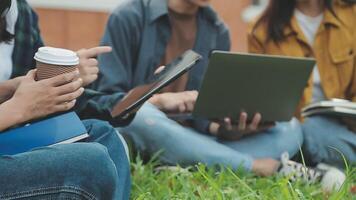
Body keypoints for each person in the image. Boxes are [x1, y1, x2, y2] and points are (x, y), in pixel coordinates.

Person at [93, 0, 337, 182]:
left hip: (200, 140)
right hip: (146, 132)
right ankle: (262, 167)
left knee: (290, 129)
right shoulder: (129, 17)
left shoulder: (217, 29)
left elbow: (204, 114)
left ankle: (190, 163)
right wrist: (158, 100)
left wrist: (226, 129)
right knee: (142, 118)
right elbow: (110, 106)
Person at [0, 1, 131, 199]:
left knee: (102, 134)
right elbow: (22, 107)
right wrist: (19, 107)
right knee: (89, 162)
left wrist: (12, 88)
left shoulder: (20, 14)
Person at [248, 0, 356, 168]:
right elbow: (261, 98)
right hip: (293, 127)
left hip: (345, 123)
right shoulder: (261, 30)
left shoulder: (351, 14)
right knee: (310, 128)